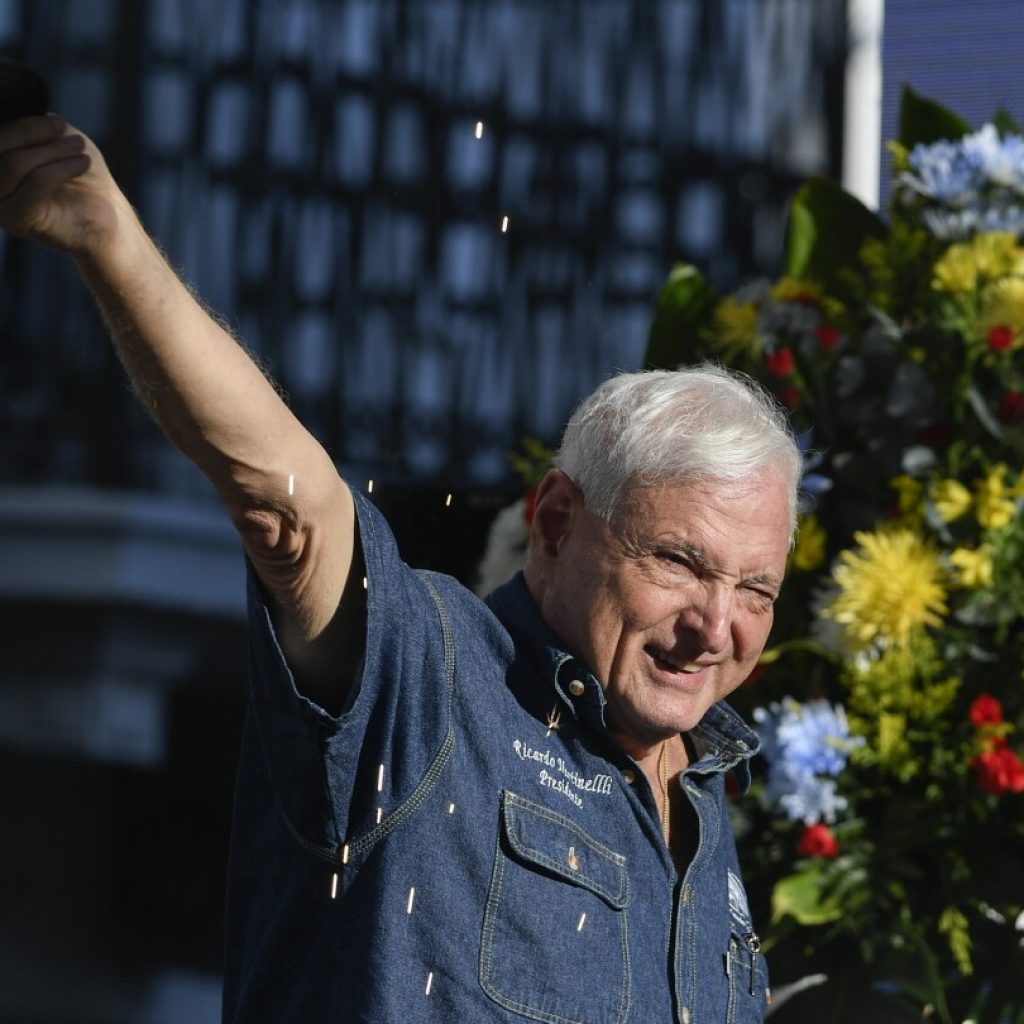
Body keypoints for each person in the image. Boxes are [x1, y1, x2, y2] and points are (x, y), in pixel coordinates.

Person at [0, 114, 799, 1023]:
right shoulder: (432, 681)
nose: (715, 626)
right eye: (678, 562)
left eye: (755, 590)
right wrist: (111, 242)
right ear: (557, 522)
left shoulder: (706, 806)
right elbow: (288, 509)